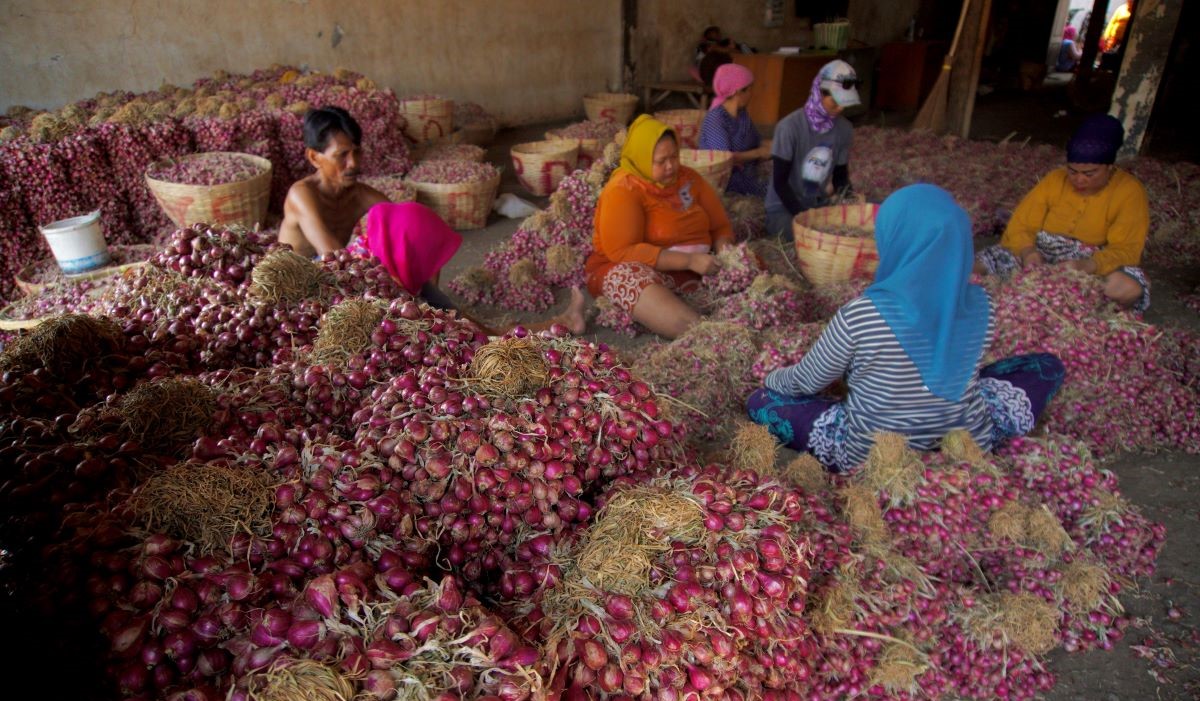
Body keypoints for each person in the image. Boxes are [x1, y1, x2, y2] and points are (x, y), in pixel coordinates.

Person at [747, 184, 1065, 473]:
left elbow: (806, 381)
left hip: (875, 455)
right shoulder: (982, 304)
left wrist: (772, 379)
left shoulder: (862, 314)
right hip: (965, 441)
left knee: (762, 402)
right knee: (1047, 365)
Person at [280, 106, 586, 332]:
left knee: (465, 326)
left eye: (356, 152)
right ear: (314, 157)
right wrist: (403, 294)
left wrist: (422, 284)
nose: (353, 163)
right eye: (342, 155)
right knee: (441, 326)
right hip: (309, 293)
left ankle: (562, 322)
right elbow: (335, 260)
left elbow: (410, 231)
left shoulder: (358, 194)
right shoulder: (301, 195)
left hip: (349, 278)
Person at [975, 114, 1150, 311]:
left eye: (1089, 174)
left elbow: (1127, 249)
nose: (1079, 180)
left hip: (1091, 260)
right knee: (973, 268)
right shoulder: (1055, 180)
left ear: (1109, 167)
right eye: (1072, 171)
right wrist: (1028, 251)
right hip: (1041, 250)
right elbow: (1021, 224)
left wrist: (1086, 265)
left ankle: (1062, 304)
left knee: (1128, 288)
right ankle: (1053, 302)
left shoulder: (1129, 191)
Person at [585, 115, 735, 339]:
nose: (671, 166)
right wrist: (689, 261)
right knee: (628, 280)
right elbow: (622, 251)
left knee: (747, 270)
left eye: (674, 156)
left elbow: (720, 225)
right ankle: (707, 336)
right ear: (642, 159)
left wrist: (727, 254)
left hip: (695, 269)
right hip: (633, 268)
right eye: (661, 161)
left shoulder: (688, 178)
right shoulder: (623, 190)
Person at [765, 60, 859, 240]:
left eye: (845, 103)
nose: (840, 108)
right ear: (819, 93)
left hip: (817, 205)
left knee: (855, 229)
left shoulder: (844, 129)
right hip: (784, 209)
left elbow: (840, 177)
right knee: (812, 238)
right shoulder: (789, 127)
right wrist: (805, 218)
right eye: (835, 102)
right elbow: (780, 183)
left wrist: (849, 203)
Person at [698, 63, 771, 197]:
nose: (751, 94)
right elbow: (723, 160)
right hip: (728, 180)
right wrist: (759, 153)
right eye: (749, 89)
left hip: (748, 171)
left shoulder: (742, 114)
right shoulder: (716, 120)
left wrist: (779, 146)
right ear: (738, 92)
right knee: (776, 191)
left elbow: (757, 140)